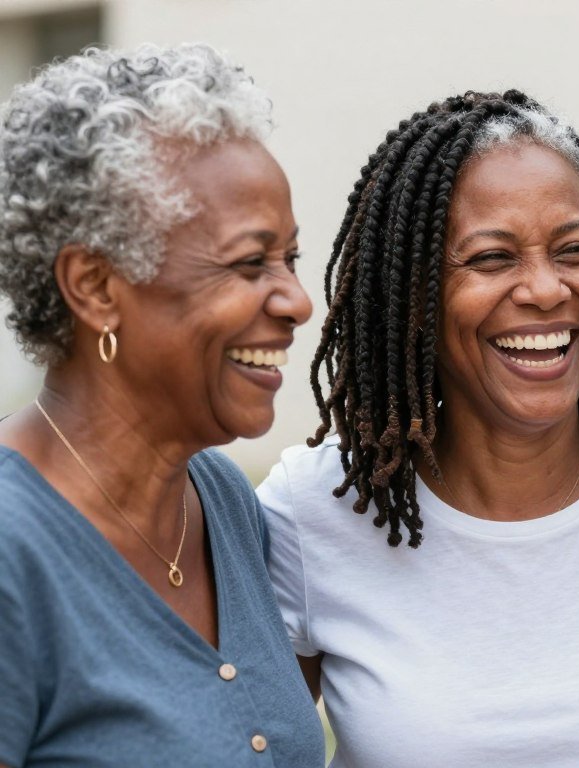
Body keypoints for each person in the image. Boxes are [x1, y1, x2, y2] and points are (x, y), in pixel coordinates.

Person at [258, 90, 579, 768]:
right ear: (413, 295)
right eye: (493, 258)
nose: (546, 289)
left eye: (576, 250)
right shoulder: (312, 510)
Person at [0, 44, 324, 766]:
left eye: (290, 260)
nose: (298, 301)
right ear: (96, 286)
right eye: (250, 263)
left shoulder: (221, 502)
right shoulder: (13, 552)